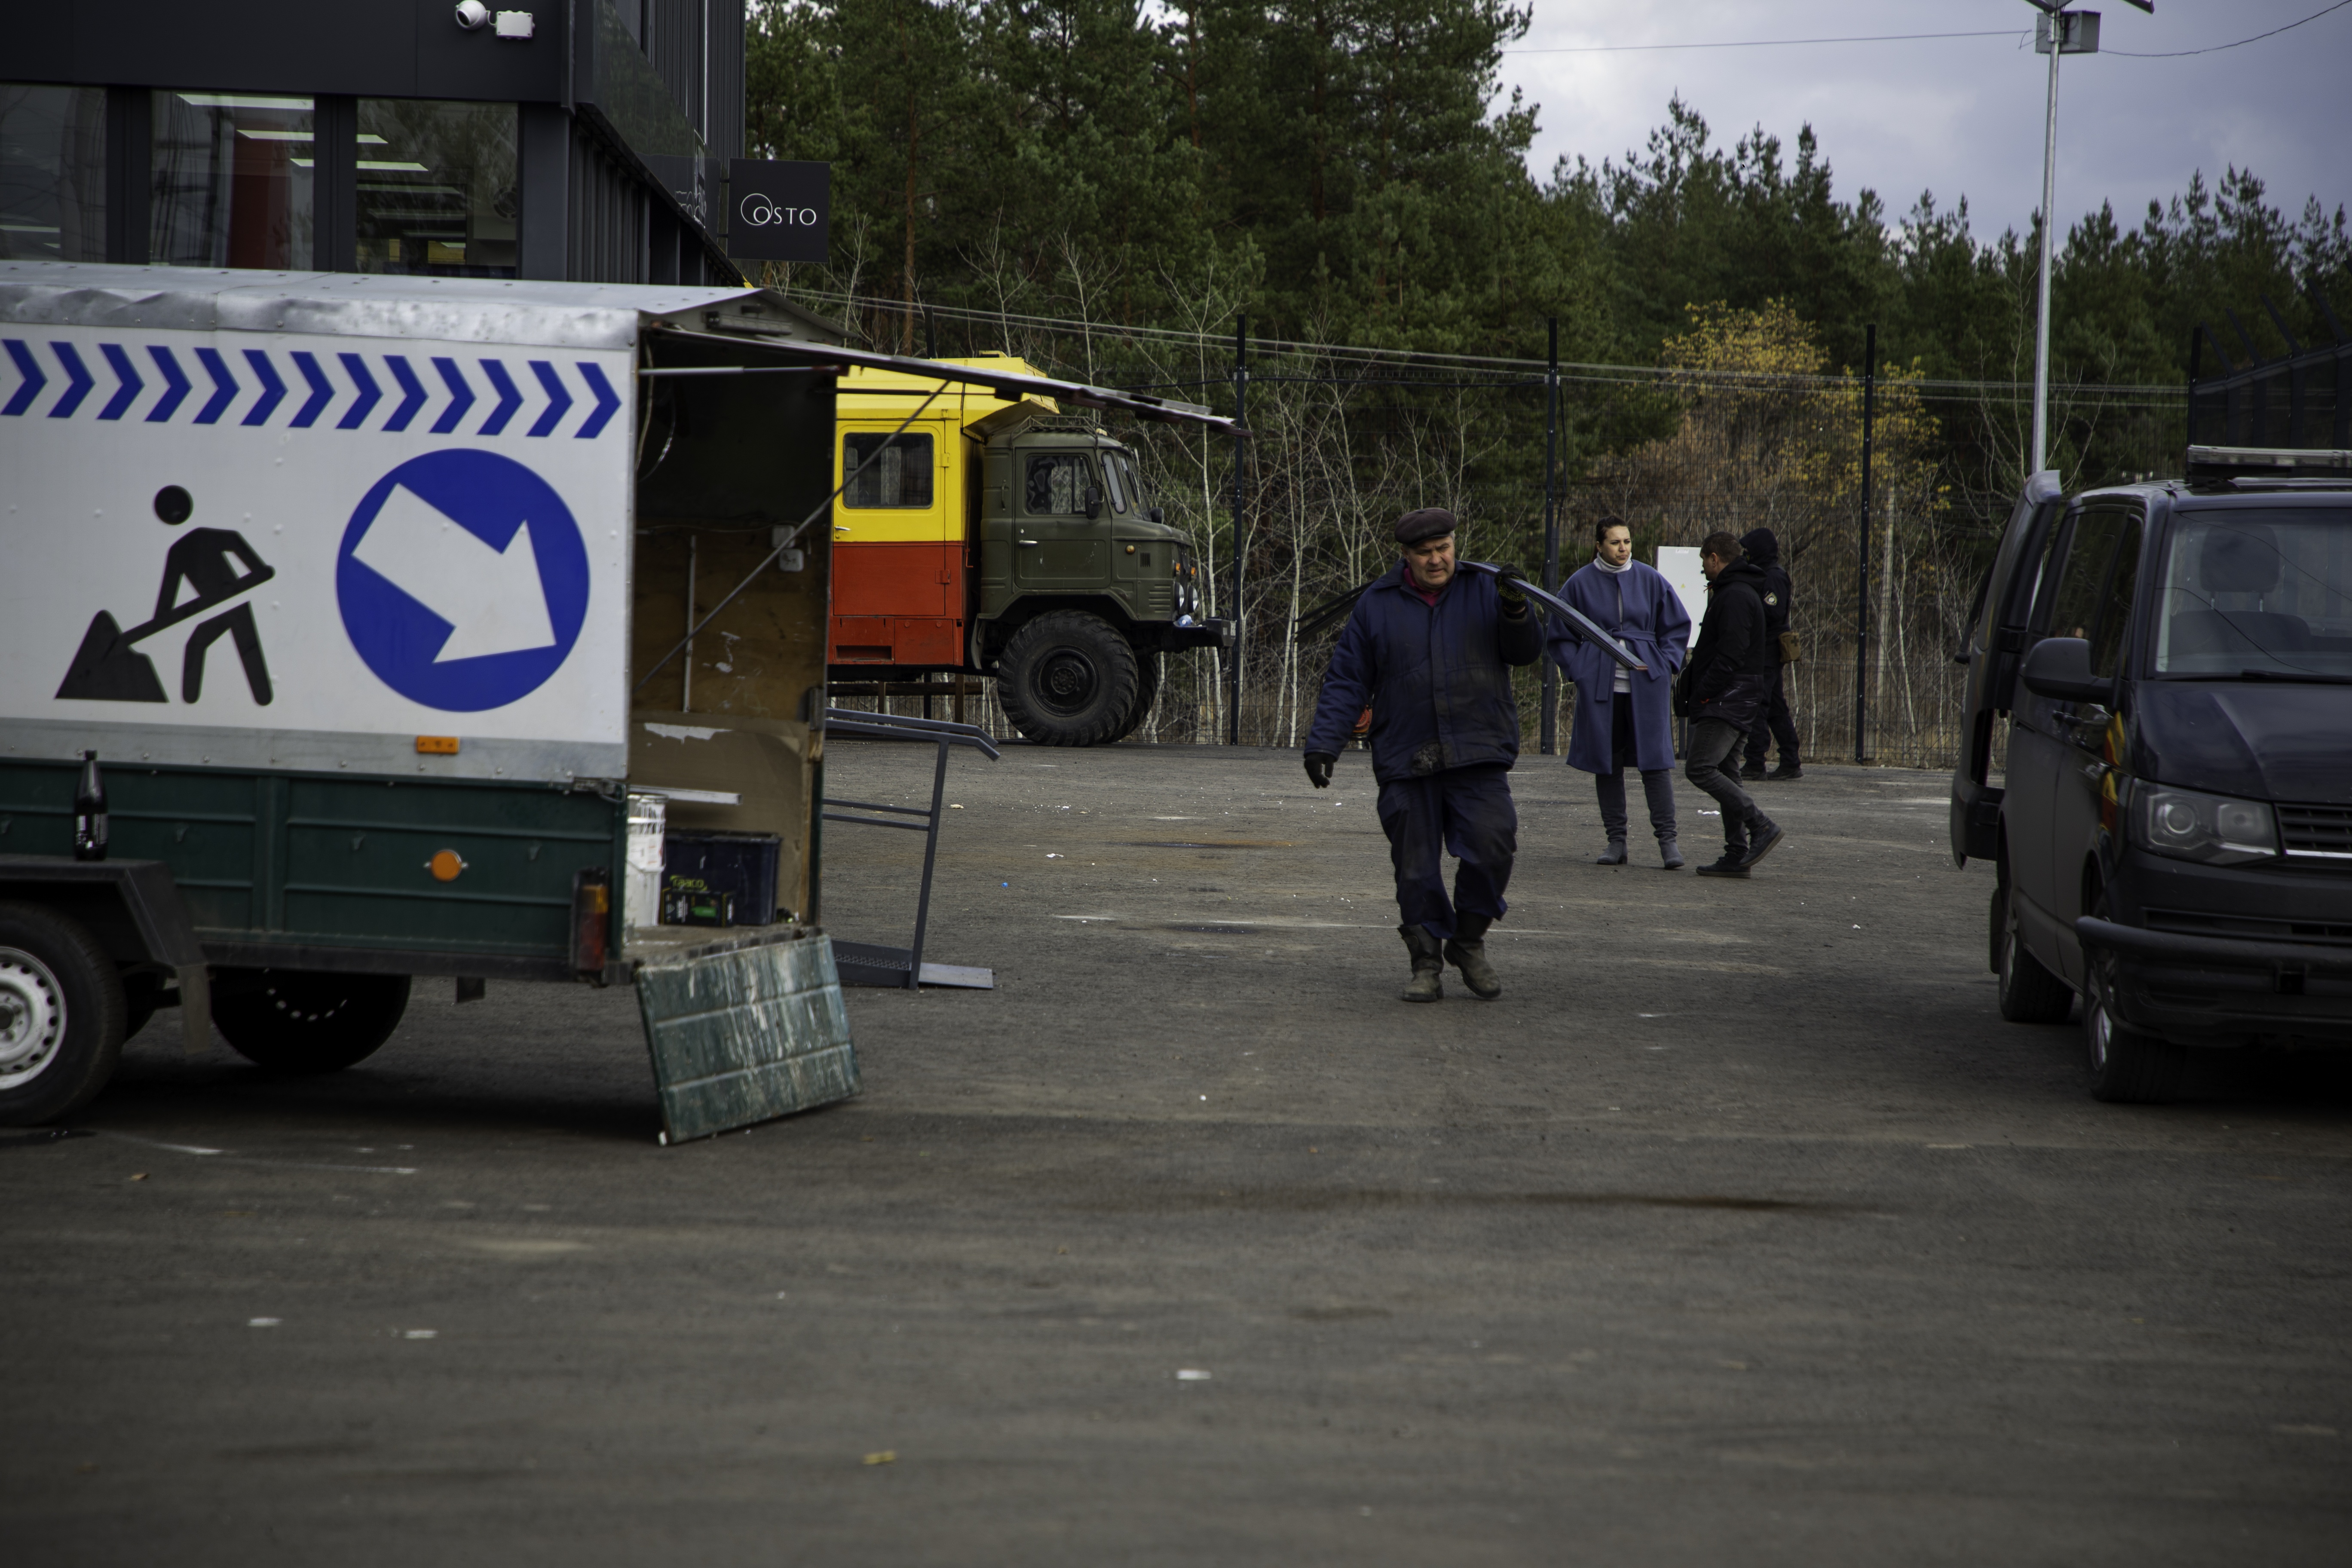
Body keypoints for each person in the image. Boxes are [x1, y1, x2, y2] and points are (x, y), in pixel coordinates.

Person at [1304, 508, 1543, 1001]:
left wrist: (1517, 609)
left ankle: (1469, 940)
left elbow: (1524, 653)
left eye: (1444, 549)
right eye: (1425, 553)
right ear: (1405, 556)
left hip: (1477, 748)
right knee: (1415, 870)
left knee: (1493, 845)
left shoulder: (1488, 589)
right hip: (1406, 754)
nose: (1437, 560)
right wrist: (1325, 742)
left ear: (1455, 544)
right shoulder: (1377, 604)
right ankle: (1427, 960)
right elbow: (1348, 679)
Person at [1551, 515, 1689, 869]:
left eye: (1627, 541)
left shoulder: (1650, 579)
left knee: (1656, 764)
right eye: (1615, 542)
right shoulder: (1579, 584)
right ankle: (1617, 842)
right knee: (1607, 763)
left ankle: (1668, 843)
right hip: (1601, 686)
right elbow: (1560, 635)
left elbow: (1676, 627)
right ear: (1599, 545)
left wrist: (1666, 666)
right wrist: (1580, 670)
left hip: (1647, 685)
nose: (1623, 548)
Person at [1677, 532, 1786, 877]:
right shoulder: (1739, 590)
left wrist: (1703, 693)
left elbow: (1730, 654)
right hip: (1739, 695)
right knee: (1726, 771)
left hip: (1729, 697)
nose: (1703, 571)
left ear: (1714, 558)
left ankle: (1761, 824)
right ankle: (1738, 853)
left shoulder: (1736, 595)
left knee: (1699, 768)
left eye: (1703, 563)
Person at [1738, 525, 1801, 781]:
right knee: (1775, 706)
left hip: (1767, 649)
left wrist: (1750, 604)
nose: (1745, 555)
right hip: (1766, 649)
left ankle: (1756, 762)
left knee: (1758, 704)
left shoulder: (1773, 576)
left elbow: (1772, 611)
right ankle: (1789, 760)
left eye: (1748, 551)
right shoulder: (1764, 574)